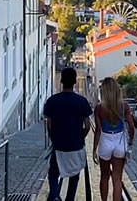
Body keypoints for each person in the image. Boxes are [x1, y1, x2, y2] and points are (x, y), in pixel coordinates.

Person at [43, 67, 92, 201]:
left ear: (62, 81)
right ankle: (69, 198)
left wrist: (54, 138)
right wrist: (80, 137)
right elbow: (87, 125)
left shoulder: (52, 101)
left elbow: (49, 124)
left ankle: (54, 195)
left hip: (58, 145)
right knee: (75, 174)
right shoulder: (82, 101)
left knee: (53, 173)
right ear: (75, 81)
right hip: (76, 145)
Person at [92, 77, 135, 201]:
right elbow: (131, 127)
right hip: (120, 142)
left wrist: (94, 149)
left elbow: (98, 130)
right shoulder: (124, 106)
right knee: (117, 179)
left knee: (104, 176)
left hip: (105, 140)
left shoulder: (99, 108)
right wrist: (131, 141)